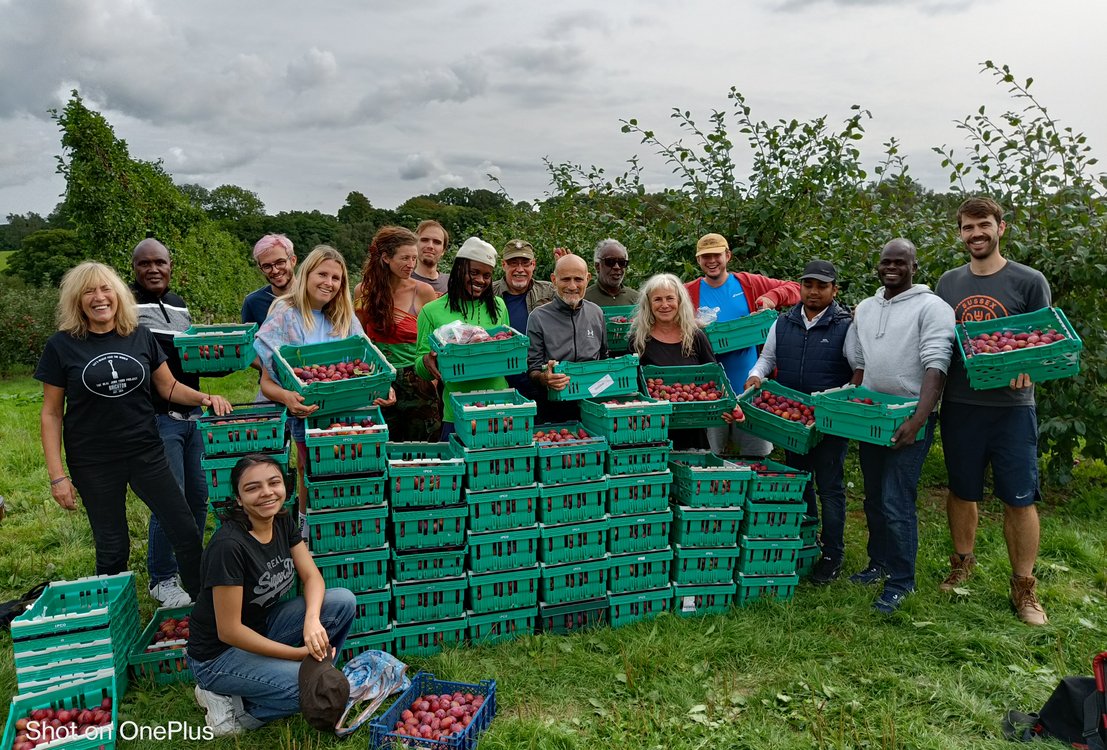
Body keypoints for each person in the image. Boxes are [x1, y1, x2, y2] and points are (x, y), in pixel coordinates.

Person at [35, 261, 232, 602]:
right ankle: (115, 620)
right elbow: (51, 413)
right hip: (94, 461)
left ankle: (206, 609)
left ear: (118, 294)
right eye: (88, 291)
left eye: (105, 289)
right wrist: (57, 475)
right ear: (76, 300)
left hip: (146, 451)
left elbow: (168, 387)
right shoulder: (62, 345)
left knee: (184, 529)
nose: (99, 298)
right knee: (113, 546)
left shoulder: (138, 335)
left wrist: (204, 397)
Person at [934, 197, 1051, 625]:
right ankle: (962, 564)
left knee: (1019, 498)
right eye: (968, 227)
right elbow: (940, 341)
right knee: (962, 490)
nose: (976, 233)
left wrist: (1030, 368)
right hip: (962, 404)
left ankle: (1024, 588)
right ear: (960, 233)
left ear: (1001, 227)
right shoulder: (948, 284)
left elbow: (1045, 338)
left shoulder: (1028, 280)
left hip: (1012, 408)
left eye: (984, 224)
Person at [186, 453, 356, 736]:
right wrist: (296, 655)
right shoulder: (229, 547)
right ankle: (236, 710)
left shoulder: (281, 521)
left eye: (273, 482)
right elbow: (229, 631)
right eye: (252, 488)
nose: (266, 493)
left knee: (342, 602)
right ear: (238, 499)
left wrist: (312, 621)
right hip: (218, 655)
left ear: (284, 486)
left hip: (262, 628)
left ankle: (318, 676)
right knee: (309, 690)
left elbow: (312, 576)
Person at [844, 239, 955, 614]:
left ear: (914, 266)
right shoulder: (867, 307)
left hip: (909, 416)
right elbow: (860, 358)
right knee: (874, 495)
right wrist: (853, 396)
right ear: (878, 265)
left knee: (896, 498)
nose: (892, 267)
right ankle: (879, 563)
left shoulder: (932, 308)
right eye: (886, 262)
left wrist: (917, 420)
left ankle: (902, 580)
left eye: (900, 262)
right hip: (873, 415)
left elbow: (936, 366)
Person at [253, 245, 395, 522]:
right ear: (306, 274)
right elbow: (268, 383)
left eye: (336, 278)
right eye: (322, 274)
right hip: (308, 415)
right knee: (311, 471)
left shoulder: (343, 318)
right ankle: (307, 530)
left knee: (348, 470)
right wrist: (287, 397)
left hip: (348, 414)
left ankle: (347, 524)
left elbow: (365, 367)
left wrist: (383, 389)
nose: (329, 283)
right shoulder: (285, 314)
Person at [745, 259, 854, 584]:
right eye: (809, 285)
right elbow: (767, 358)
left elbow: (858, 368)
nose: (814, 291)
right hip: (791, 419)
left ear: (834, 290)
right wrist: (754, 376)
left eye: (822, 286)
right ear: (800, 287)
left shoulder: (846, 325)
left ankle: (832, 553)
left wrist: (837, 399)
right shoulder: (783, 322)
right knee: (800, 480)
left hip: (828, 420)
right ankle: (804, 543)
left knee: (830, 487)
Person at [131, 238, 209, 608]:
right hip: (157, 418)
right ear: (135, 269)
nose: (153, 269)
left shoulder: (178, 305)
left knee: (198, 496)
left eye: (159, 262)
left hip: (192, 414)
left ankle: (189, 567)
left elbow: (187, 358)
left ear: (170, 265)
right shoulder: (126, 306)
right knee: (170, 498)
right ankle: (161, 577)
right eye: (144, 264)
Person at [685, 232, 800, 457]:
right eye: (705, 256)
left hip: (749, 390)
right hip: (709, 394)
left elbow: (795, 288)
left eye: (716, 255)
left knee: (756, 457)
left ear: (728, 255)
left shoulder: (748, 283)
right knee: (708, 458)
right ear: (698, 260)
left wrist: (772, 298)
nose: (711, 261)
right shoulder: (689, 291)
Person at [414, 237, 510, 440]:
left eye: (487, 275)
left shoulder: (499, 306)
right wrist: (426, 361)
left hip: (499, 407)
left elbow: (507, 347)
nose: (481, 280)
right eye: (473, 272)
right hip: (457, 409)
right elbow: (420, 366)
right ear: (458, 269)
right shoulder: (432, 311)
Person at [353, 226, 441, 442]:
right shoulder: (363, 291)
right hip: (381, 377)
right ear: (385, 257)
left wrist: (432, 381)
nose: (411, 264)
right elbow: (362, 340)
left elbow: (435, 341)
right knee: (382, 444)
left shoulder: (423, 291)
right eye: (404, 258)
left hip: (417, 380)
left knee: (420, 449)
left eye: (414, 258)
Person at [628, 274, 722, 450]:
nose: (664, 305)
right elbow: (632, 388)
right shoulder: (638, 341)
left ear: (679, 301)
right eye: (657, 299)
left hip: (693, 427)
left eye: (670, 298)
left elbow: (713, 380)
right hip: (654, 429)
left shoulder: (695, 337)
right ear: (649, 304)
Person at [526, 253, 608, 423]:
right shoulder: (538, 317)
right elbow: (532, 369)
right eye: (565, 279)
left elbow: (603, 357)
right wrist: (545, 378)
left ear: (588, 279)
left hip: (592, 406)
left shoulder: (596, 313)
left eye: (578, 279)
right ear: (554, 280)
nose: (572, 286)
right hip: (553, 409)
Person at [492, 239, 555, 401]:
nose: (520, 269)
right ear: (503, 264)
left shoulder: (549, 290)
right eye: (513, 263)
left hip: (540, 382)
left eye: (525, 263)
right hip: (501, 382)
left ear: (533, 264)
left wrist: (564, 268)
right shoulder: (489, 293)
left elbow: (575, 298)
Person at [242, 234, 297, 325]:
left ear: (293, 261)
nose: (275, 271)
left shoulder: (313, 296)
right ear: (261, 269)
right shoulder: (253, 302)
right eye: (267, 266)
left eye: (280, 262)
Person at [584, 239, 639, 307]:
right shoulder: (584, 300)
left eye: (622, 262)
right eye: (610, 262)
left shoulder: (637, 299)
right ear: (598, 266)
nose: (617, 267)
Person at [411, 220, 449, 295]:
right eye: (424, 240)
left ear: (443, 251)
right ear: (415, 245)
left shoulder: (452, 283)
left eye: (437, 242)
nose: (430, 246)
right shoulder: (401, 282)